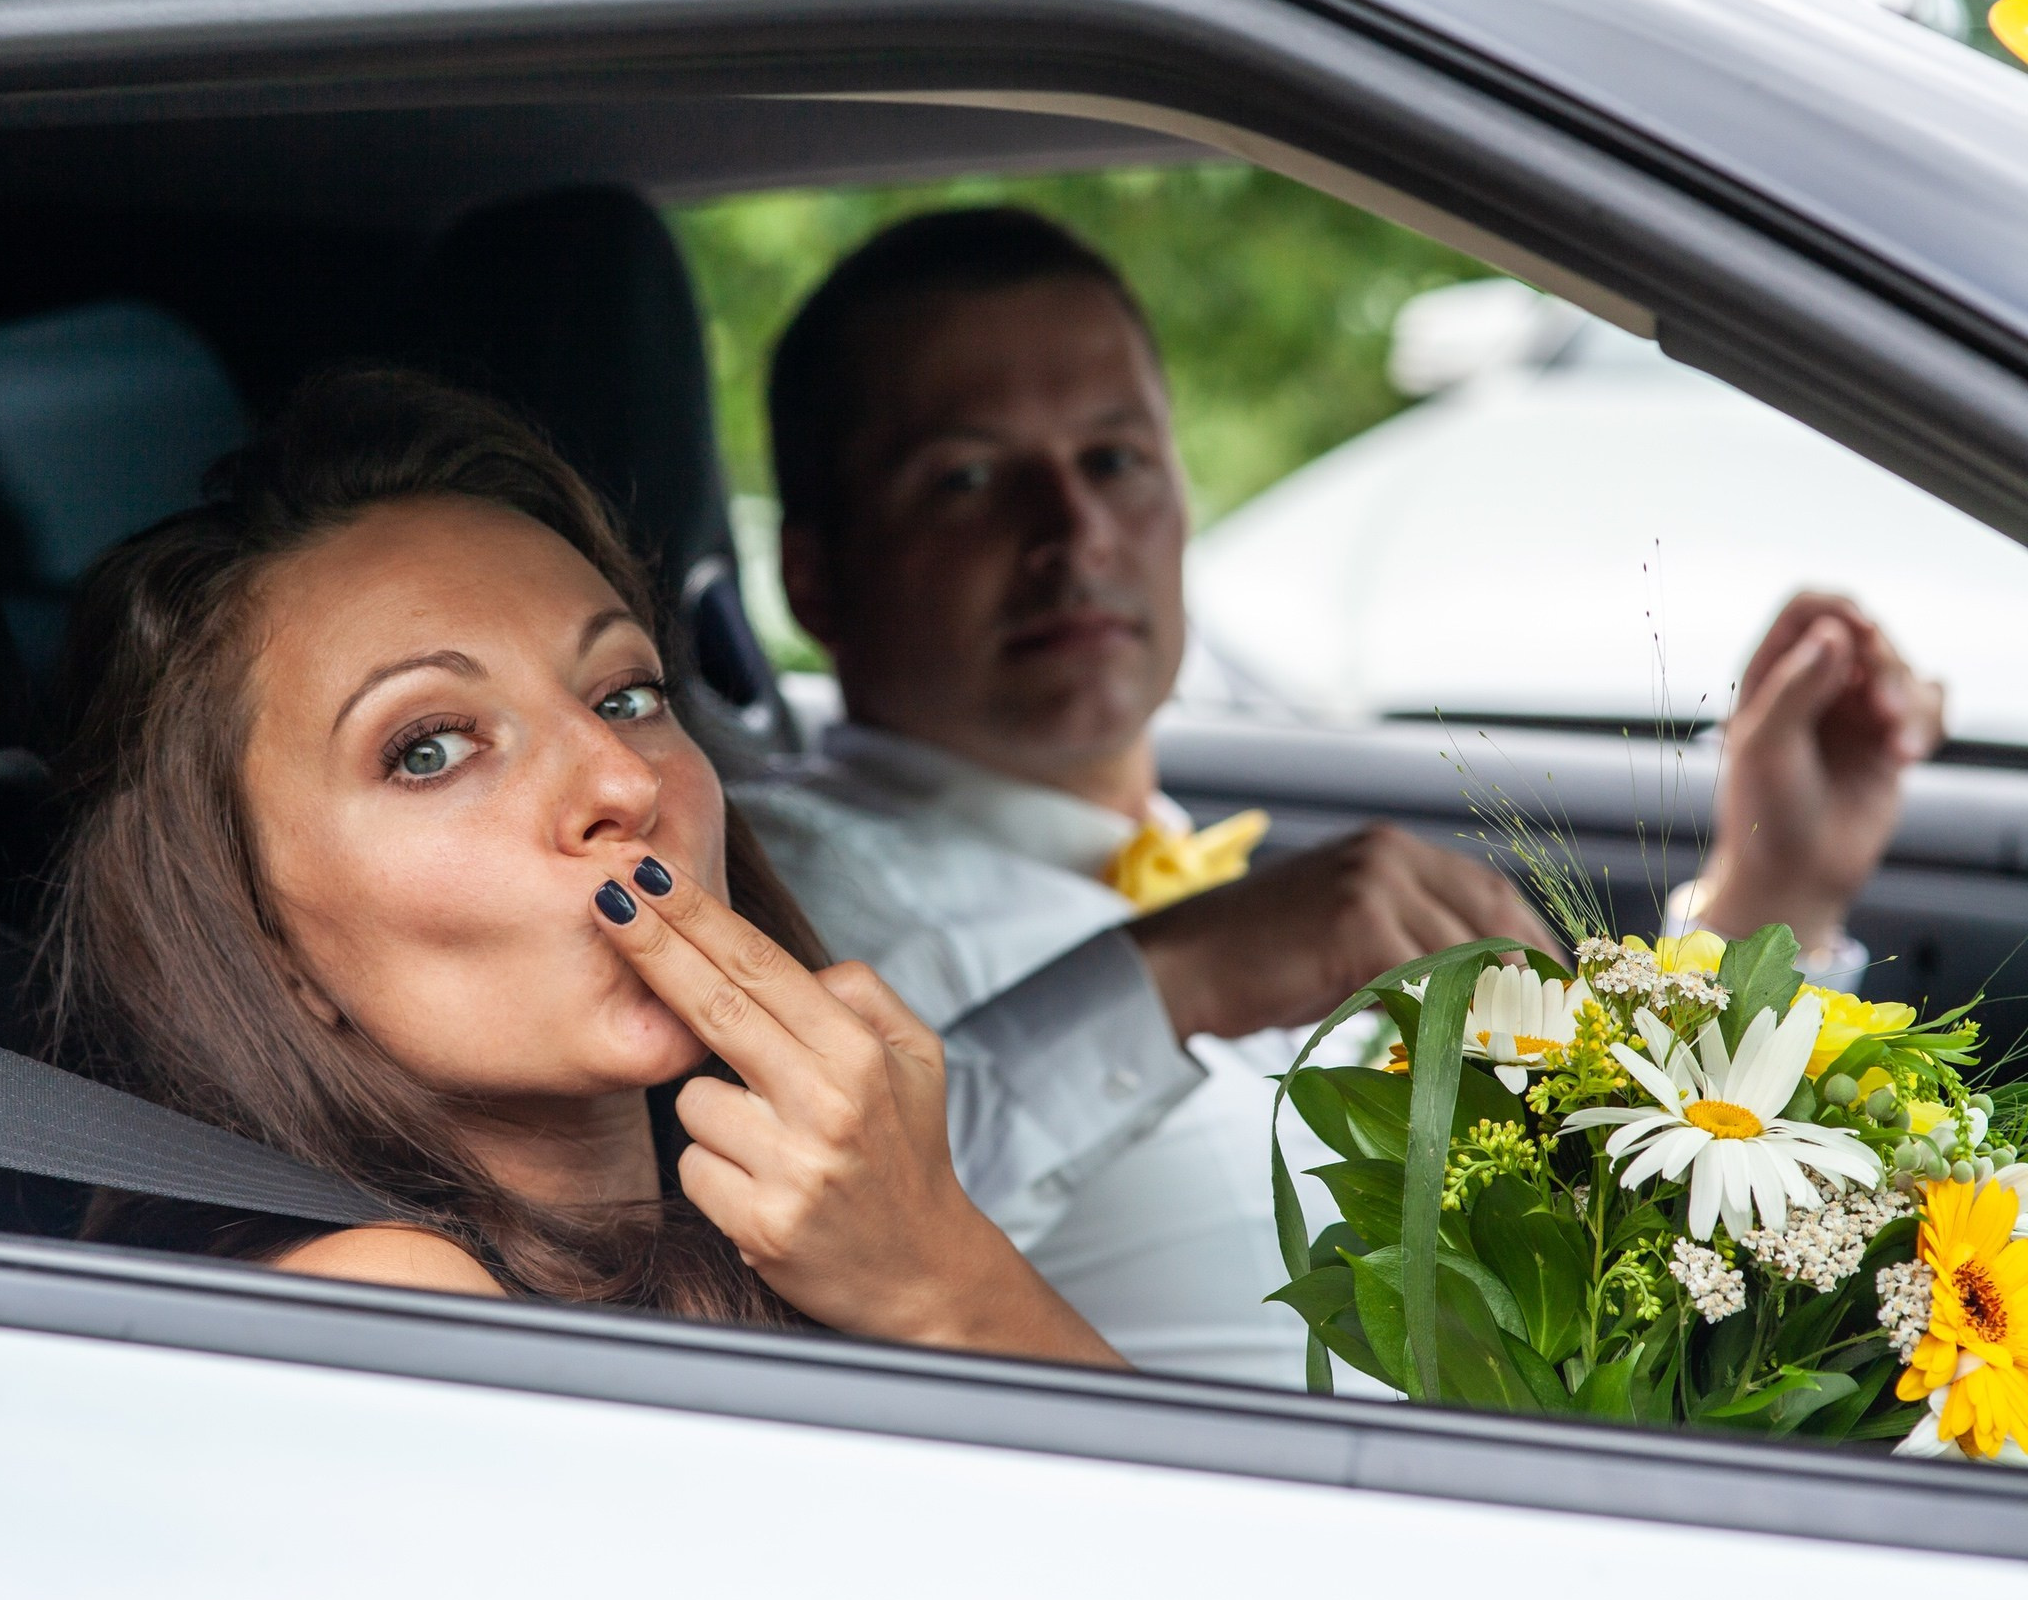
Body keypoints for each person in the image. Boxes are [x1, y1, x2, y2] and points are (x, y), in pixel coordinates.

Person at [735, 207, 1947, 1384]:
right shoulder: (772, 887)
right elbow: (816, 1229)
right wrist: (1173, 978)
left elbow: (1555, 1240)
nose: (1075, 529)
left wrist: (1771, 891)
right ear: (815, 576)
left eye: (1114, 459)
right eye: (967, 479)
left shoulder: (1175, 861)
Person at [39, 367, 1125, 1366]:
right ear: (261, 939)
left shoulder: (785, 1242)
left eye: (626, 695)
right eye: (430, 749)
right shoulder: (380, 1297)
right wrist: (949, 1285)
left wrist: (932, 1255)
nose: (622, 779)